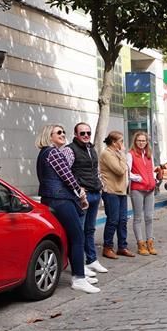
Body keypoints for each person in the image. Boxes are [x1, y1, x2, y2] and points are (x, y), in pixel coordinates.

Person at [35, 124, 100, 294]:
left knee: (72, 236)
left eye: (63, 132)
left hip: (53, 199)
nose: (63, 134)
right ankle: (78, 277)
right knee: (78, 236)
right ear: (49, 136)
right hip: (61, 199)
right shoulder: (53, 152)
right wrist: (81, 195)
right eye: (58, 132)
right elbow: (68, 177)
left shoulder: (43, 153)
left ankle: (80, 273)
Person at [69, 121, 107, 274]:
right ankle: (79, 263)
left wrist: (100, 183)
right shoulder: (70, 150)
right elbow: (67, 172)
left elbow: (94, 170)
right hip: (82, 196)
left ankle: (91, 260)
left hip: (95, 193)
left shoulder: (91, 149)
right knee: (79, 231)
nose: (86, 135)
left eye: (88, 133)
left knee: (90, 229)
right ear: (76, 134)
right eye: (82, 133)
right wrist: (78, 188)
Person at [99, 131, 134, 260]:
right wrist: (123, 156)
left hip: (121, 191)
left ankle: (122, 247)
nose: (123, 144)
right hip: (111, 191)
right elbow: (120, 170)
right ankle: (107, 247)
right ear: (114, 142)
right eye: (121, 141)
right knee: (113, 220)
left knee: (123, 220)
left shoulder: (117, 154)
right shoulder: (107, 154)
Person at [127, 131, 158, 256]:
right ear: (135, 141)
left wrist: (155, 178)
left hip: (150, 189)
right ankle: (140, 244)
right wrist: (137, 178)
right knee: (138, 217)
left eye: (143, 141)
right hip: (137, 190)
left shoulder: (149, 154)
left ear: (147, 142)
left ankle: (150, 242)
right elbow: (127, 172)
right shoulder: (130, 154)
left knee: (149, 217)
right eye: (139, 140)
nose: (141, 143)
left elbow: (152, 169)